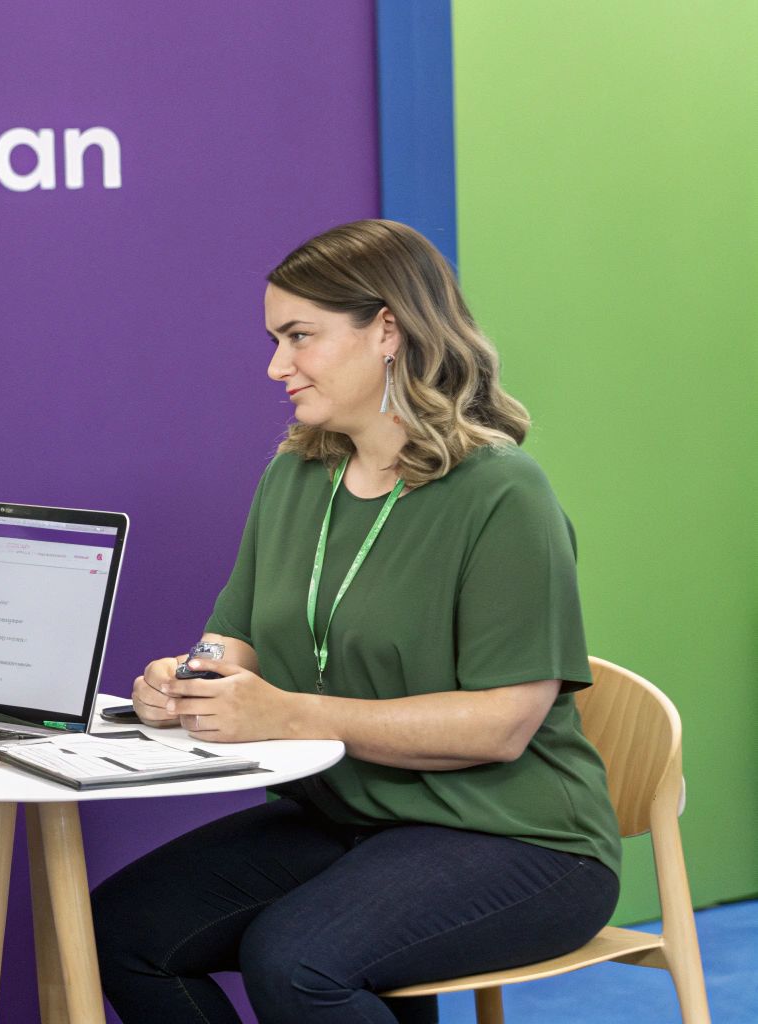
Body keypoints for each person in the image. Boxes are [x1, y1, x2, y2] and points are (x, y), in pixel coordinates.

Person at [91, 220, 622, 1024]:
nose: (277, 365)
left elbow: (504, 724)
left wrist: (287, 712)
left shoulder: (504, 494)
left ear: (387, 331)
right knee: (118, 931)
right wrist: (181, 683)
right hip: (345, 816)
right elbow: (227, 641)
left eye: (299, 336)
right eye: (275, 338)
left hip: (517, 837)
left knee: (298, 962)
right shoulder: (296, 474)